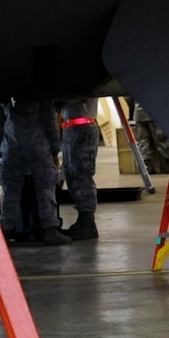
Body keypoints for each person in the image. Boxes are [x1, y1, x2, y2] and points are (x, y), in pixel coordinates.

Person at [0, 98, 67, 245]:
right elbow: (49, 120)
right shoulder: (39, 91)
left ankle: (4, 231)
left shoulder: (4, 88)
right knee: (46, 188)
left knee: (10, 189)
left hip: (12, 146)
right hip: (38, 145)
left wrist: (1, 148)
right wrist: (55, 148)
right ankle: (50, 229)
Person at [58, 98, 101, 241]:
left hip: (82, 127)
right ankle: (83, 220)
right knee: (72, 174)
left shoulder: (83, 79)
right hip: (72, 127)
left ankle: (88, 222)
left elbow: (77, 97)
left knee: (81, 174)